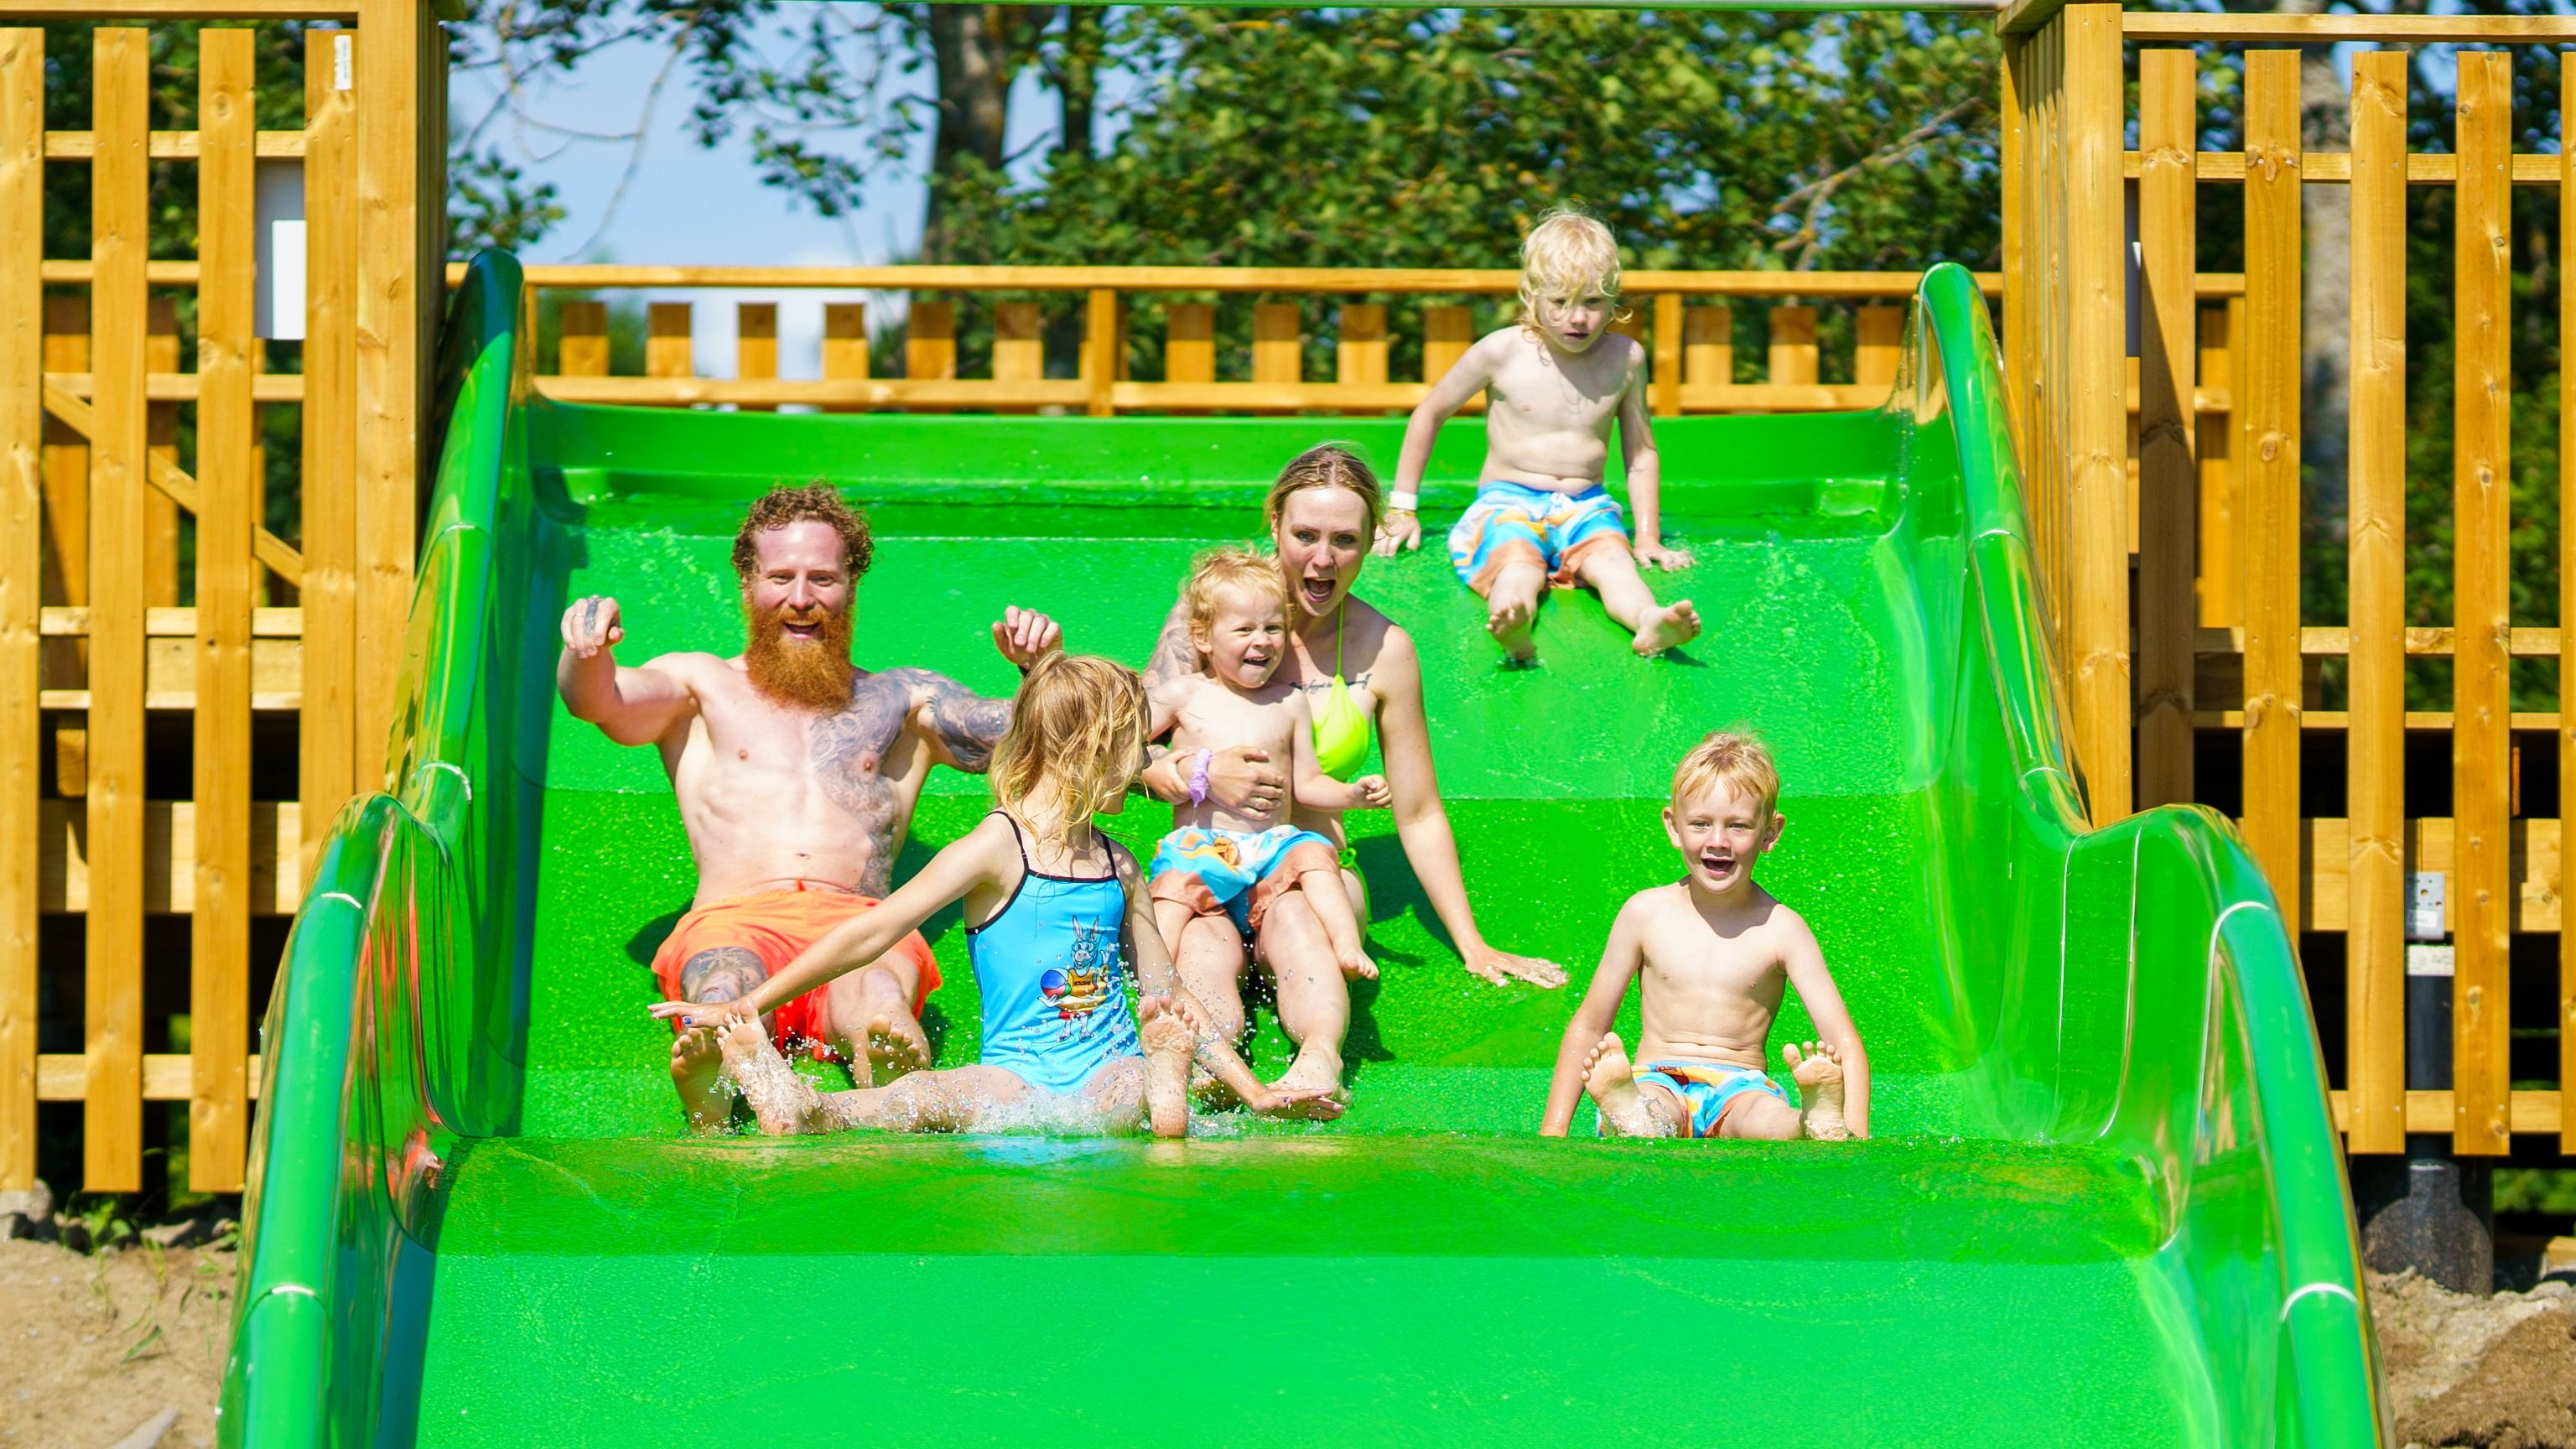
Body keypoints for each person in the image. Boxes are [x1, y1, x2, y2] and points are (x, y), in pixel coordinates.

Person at [649, 652, 1342, 1137]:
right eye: (1133, 750)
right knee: (925, 1096)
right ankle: (807, 1110)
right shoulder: (996, 847)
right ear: (1088, 750)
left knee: (1129, 1082)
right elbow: (872, 932)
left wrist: (1256, 1092)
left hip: (1112, 1075)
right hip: (1016, 1080)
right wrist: (751, 1003)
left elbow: (1169, 995)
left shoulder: (1118, 864)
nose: (1141, 769)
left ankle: (1165, 1095)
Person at [558, 481, 1062, 1130]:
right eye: (781, 577)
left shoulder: (902, 699)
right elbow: (600, 702)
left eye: (822, 578)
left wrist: (1041, 672)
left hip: (862, 926)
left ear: (851, 586)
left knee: (880, 1001)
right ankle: (719, 1069)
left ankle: (874, 1056)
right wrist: (587, 656)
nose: (801, 599)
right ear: (747, 582)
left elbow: (1035, 738)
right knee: (722, 986)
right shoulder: (699, 685)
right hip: (735, 920)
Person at [1138, 445, 1568, 1101]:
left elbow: (1417, 811)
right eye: (1305, 535)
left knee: (1302, 924)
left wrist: (1474, 943)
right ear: (1275, 525)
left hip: (1312, 867)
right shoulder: (1212, 620)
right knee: (1199, 948)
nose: (1322, 558)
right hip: (1211, 859)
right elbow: (1117, 755)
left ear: (1371, 542)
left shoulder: (1384, 648)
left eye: (1345, 540)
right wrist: (1192, 771)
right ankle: (1213, 1060)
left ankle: (1318, 1063)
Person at [1375, 208, 1701, 664]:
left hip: (1585, 503)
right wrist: (1402, 507)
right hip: (1507, 501)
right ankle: (1515, 621)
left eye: (1592, 302)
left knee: (1614, 562)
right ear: (1531, 295)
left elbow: (1641, 451)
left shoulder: (1625, 358)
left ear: (1613, 300)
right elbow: (1430, 413)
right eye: (1560, 301)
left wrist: (1648, 537)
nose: (1578, 318)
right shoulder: (1502, 351)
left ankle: (1648, 620)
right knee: (1515, 563)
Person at [1539, 731, 1869, 1141]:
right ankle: (1630, 1111)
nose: (1718, 841)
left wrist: (1857, 1135)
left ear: (1770, 832)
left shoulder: (1782, 929)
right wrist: (1553, 1129)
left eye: (1738, 826)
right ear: (1673, 826)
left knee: (1765, 1119)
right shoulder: (1645, 914)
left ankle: (1817, 1121)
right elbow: (1591, 1025)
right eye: (1700, 824)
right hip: (1660, 1074)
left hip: (1741, 1086)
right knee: (1653, 1108)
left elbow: (1841, 1038)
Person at [1146, 548, 1392, 988]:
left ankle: (1345, 942)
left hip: (1271, 848)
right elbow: (1117, 743)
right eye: (1244, 629)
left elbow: (1310, 785)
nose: (1262, 640)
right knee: (1172, 895)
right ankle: (1152, 974)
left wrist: (1352, 795)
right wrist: (1173, 769)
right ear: (1203, 637)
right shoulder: (1184, 694)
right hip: (1204, 846)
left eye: (1273, 628)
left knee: (1316, 854)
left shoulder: (1289, 702)